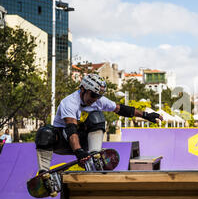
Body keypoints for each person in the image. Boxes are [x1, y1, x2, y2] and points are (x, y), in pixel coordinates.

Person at [35, 74, 163, 174]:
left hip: (84, 140)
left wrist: (146, 115)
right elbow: (71, 130)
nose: (95, 99)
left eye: (98, 96)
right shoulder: (69, 103)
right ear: (83, 89)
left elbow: (122, 109)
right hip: (64, 141)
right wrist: (79, 152)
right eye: (93, 95)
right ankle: (43, 172)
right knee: (45, 133)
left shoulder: (98, 101)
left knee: (97, 116)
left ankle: (94, 155)